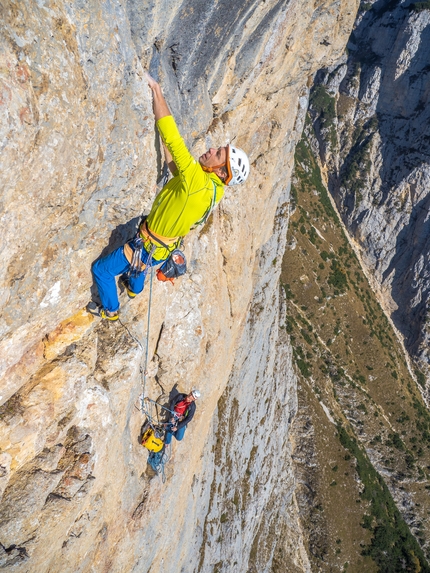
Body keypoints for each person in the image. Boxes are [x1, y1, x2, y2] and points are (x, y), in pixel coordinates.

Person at [92, 73, 250, 320]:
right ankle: (135, 289)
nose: (211, 149)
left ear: (221, 170)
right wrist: (164, 142)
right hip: (162, 248)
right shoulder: (213, 191)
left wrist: (156, 89)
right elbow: (176, 169)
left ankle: (111, 310)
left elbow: (173, 136)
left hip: (146, 246)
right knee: (137, 271)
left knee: (101, 271)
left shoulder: (198, 181)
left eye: (218, 153)